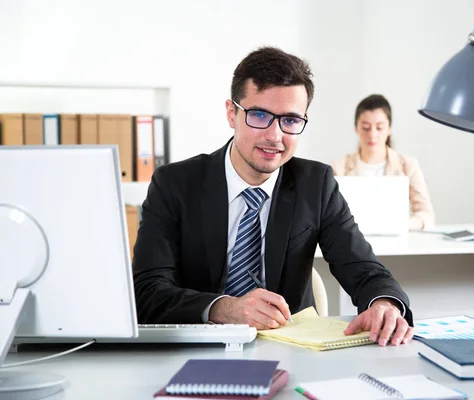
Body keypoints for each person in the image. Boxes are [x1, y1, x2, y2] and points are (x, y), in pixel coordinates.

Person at [132, 47, 414, 346]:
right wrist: (227, 309)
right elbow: (147, 292)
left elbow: (363, 268)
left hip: (289, 350)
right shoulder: (175, 184)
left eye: (290, 120)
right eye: (259, 115)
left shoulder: (316, 184)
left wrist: (385, 304)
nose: (275, 135)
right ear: (232, 113)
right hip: (195, 347)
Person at [331, 94, 435, 230]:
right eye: (366, 128)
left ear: (389, 128)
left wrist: (401, 225)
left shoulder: (408, 165)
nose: (372, 134)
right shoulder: (339, 167)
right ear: (356, 128)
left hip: (396, 243)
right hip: (353, 242)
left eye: (379, 127)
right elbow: (329, 215)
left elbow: (426, 214)